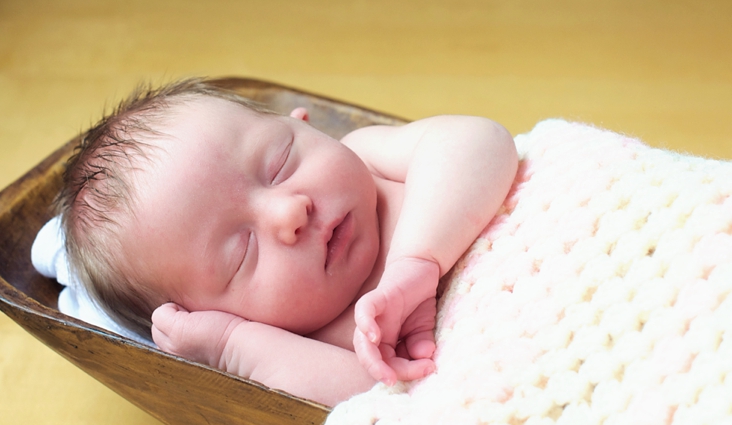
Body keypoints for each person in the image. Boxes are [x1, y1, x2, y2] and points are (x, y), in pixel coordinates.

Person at [59, 81, 518, 406]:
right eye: (243, 253)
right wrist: (233, 346)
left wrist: (418, 259)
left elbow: (482, 142)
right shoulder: (309, 343)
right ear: (217, 315)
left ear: (305, 126)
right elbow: (381, 411)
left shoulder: (370, 157)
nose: (289, 213)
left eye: (279, 164)